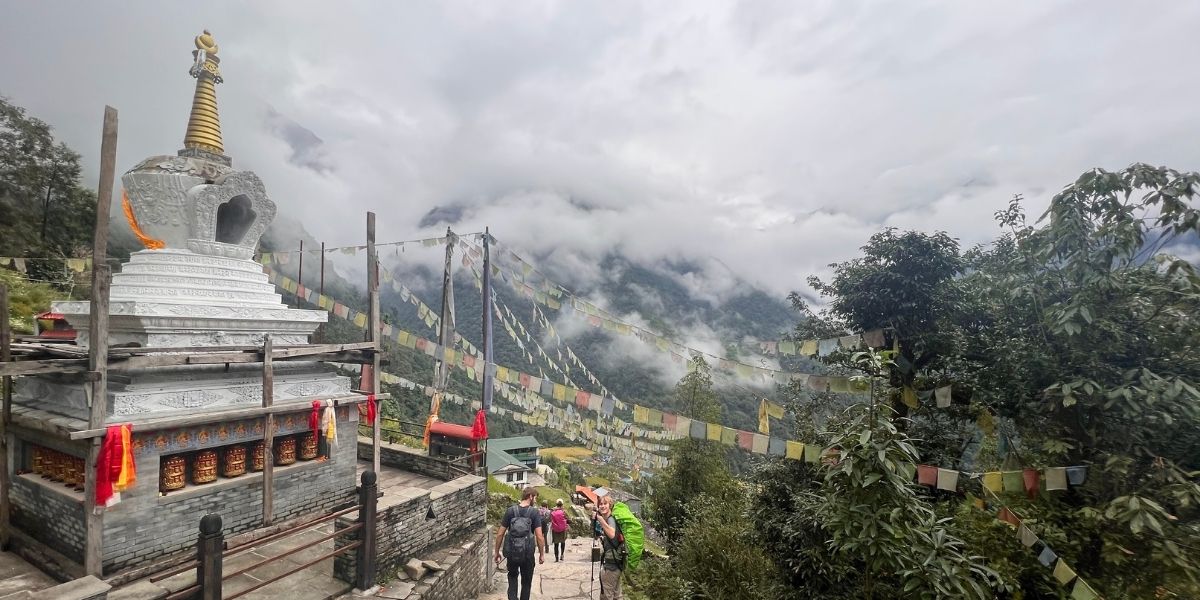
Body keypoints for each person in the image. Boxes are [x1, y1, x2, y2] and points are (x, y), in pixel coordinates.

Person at [494, 487, 546, 600]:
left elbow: (500, 534)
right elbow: (539, 536)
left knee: (512, 578)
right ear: (530, 497)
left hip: (512, 553)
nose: (535, 501)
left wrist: (497, 552)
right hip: (527, 554)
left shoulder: (510, 511)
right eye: (535, 498)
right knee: (526, 582)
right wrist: (542, 554)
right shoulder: (534, 513)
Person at [592, 495, 624, 600]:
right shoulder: (610, 519)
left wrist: (599, 519)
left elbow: (611, 534)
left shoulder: (610, 520)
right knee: (616, 595)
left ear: (610, 505)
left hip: (611, 565)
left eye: (605, 503)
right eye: (600, 504)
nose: (602, 506)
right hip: (617, 563)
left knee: (606, 596)